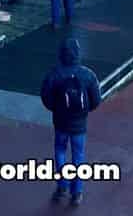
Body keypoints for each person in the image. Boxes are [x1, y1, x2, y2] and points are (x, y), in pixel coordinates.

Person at [39, 37, 103, 206]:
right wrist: (84, 112)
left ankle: (62, 186)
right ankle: (77, 192)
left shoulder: (54, 74)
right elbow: (96, 100)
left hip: (60, 122)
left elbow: (46, 98)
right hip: (79, 124)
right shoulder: (88, 74)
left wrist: (56, 109)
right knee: (78, 155)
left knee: (60, 151)